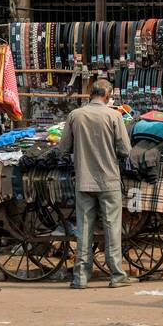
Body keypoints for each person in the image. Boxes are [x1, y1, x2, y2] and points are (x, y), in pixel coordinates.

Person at [58, 79, 135, 289]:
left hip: (84, 180)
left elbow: (63, 148)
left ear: (91, 93)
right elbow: (125, 150)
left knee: (84, 229)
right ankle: (117, 275)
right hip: (109, 180)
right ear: (108, 95)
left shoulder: (75, 115)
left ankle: (80, 277)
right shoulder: (114, 116)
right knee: (112, 228)